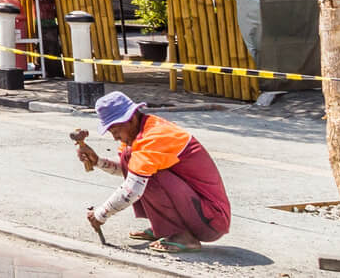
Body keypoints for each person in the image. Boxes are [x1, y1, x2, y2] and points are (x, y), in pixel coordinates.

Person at [78, 92, 231, 254]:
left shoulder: (154, 137)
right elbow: (126, 170)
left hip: (211, 221)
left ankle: (182, 235)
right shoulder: (141, 131)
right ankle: (164, 226)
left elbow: (132, 189)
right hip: (199, 212)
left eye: (115, 130)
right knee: (128, 157)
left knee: (147, 175)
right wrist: (98, 161)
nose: (115, 137)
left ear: (130, 119)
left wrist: (100, 215)